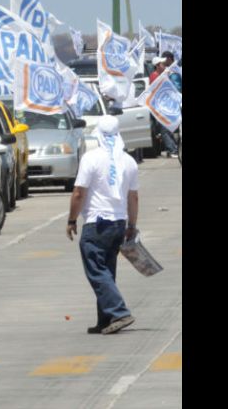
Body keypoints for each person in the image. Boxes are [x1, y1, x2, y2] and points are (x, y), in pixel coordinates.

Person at [66, 116, 138, 335]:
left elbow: (79, 193)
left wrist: (71, 219)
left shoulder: (91, 158)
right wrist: (131, 225)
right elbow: (133, 198)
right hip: (118, 223)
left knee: (96, 271)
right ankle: (106, 320)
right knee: (107, 271)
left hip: (97, 224)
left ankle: (119, 312)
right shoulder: (129, 161)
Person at [148, 56, 179, 158]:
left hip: (166, 106)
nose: (164, 65)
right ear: (157, 66)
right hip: (159, 108)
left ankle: (173, 148)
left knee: (168, 128)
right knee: (164, 130)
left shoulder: (162, 74)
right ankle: (173, 150)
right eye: (162, 64)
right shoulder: (154, 76)